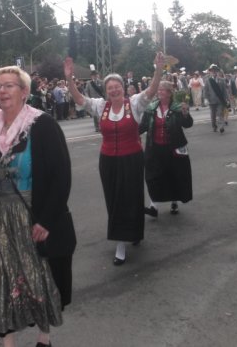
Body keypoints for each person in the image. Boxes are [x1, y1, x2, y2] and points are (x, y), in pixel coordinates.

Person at [0, 65, 75, 347]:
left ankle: (44, 336)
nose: (2, 91)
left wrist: (46, 220)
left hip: (32, 212)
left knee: (37, 276)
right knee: (0, 277)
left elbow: (61, 176)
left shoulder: (42, 125)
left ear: (24, 91)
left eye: (9, 85)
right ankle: (8, 340)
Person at [64, 52, 164, 265]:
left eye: (117, 86)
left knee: (133, 197)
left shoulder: (134, 103)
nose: (114, 90)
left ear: (123, 87)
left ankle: (135, 232)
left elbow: (152, 91)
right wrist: (69, 79)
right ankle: (120, 243)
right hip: (108, 160)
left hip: (132, 158)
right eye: (110, 88)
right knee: (115, 199)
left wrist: (158, 70)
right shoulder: (101, 106)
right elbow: (79, 99)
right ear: (106, 91)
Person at [139, 81, 193, 216]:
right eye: (158, 90)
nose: (159, 92)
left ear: (169, 93)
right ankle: (154, 206)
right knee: (153, 177)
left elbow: (187, 124)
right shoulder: (151, 108)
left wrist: (185, 113)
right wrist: (130, 132)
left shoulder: (177, 108)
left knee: (173, 175)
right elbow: (143, 126)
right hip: (154, 148)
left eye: (162, 90)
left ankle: (174, 202)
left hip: (173, 148)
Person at [204, 64, 228, 133]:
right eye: (212, 71)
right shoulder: (208, 80)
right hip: (211, 100)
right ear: (210, 72)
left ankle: (221, 127)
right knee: (213, 115)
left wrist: (226, 99)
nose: (214, 72)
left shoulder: (222, 80)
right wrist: (205, 99)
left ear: (217, 71)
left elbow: (224, 91)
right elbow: (205, 90)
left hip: (220, 100)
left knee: (220, 113)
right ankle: (214, 126)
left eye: (215, 70)